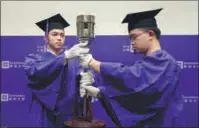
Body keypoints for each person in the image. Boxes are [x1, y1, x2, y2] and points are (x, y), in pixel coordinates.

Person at [79, 8, 184, 127]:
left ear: (150, 34)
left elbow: (131, 77)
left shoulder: (165, 62)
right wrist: (100, 92)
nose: (132, 43)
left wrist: (93, 63)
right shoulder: (151, 63)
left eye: (134, 37)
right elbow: (138, 96)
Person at [24, 13, 90, 128]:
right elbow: (36, 72)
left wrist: (88, 79)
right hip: (44, 114)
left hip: (68, 115)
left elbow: (83, 81)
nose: (59, 38)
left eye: (62, 35)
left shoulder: (74, 62)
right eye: (54, 34)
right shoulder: (34, 59)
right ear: (45, 38)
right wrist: (64, 57)